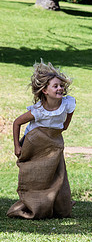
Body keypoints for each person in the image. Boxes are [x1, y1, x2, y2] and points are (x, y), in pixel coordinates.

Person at [8, 60, 76, 219]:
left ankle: (59, 205)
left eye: (61, 85)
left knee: (56, 175)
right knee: (35, 176)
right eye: (55, 86)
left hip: (52, 143)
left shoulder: (67, 104)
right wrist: (17, 146)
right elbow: (17, 122)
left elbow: (64, 125)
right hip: (33, 143)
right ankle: (31, 205)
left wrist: (55, 135)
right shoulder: (38, 111)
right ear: (44, 90)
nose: (60, 88)